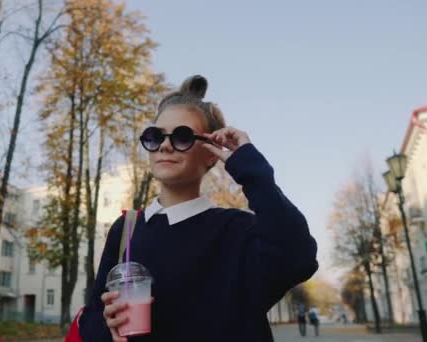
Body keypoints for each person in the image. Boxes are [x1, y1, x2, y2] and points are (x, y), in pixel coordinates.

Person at [78, 75, 319, 341]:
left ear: (210, 154)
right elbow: (93, 318)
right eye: (155, 136)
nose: (165, 145)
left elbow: (299, 258)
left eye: (182, 136)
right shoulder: (126, 230)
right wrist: (106, 328)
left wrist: (250, 168)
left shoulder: (240, 231)